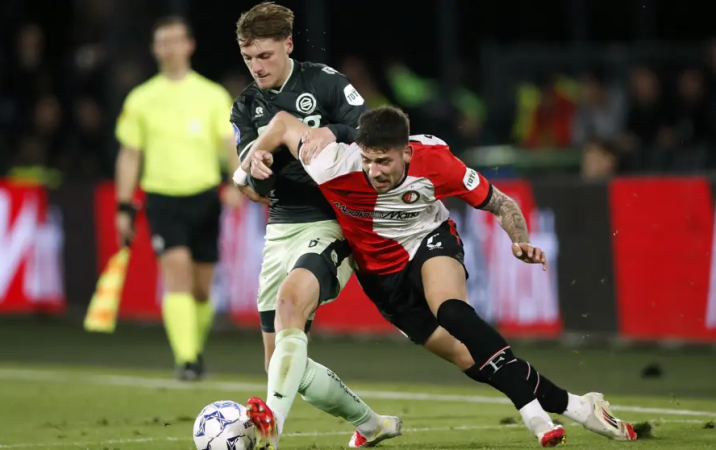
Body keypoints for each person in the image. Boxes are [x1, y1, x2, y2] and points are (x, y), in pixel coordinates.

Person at [241, 107, 639, 447]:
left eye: (384, 161)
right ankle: (579, 406)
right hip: (382, 280)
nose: (374, 171)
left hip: (429, 243)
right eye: (368, 160)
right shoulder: (330, 162)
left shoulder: (436, 161)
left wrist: (520, 239)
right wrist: (249, 164)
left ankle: (533, 414)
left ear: (407, 152)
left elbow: (501, 203)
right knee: (472, 359)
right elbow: (283, 122)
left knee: (450, 309)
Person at [229, 3, 401, 449]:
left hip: (332, 221)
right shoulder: (245, 106)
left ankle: (271, 429)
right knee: (281, 368)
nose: (256, 67)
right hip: (280, 230)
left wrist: (333, 132)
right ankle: (371, 424)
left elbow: (372, 130)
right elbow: (250, 186)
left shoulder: (324, 82)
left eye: (264, 56)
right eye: (248, 58)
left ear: (288, 45)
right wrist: (257, 171)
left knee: (290, 302)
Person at [115, 15, 243, 381]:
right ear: (155, 49)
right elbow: (130, 154)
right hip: (162, 198)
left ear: (189, 45)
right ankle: (186, 360)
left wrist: (236, 183)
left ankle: (193, 348)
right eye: (163, 41)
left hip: (204, 197)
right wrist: (124, 205)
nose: (169, 48)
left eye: (175, 40)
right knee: (177, 273)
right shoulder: (141, 98)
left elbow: (229, 144)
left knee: (201, 288)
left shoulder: (211, 94)